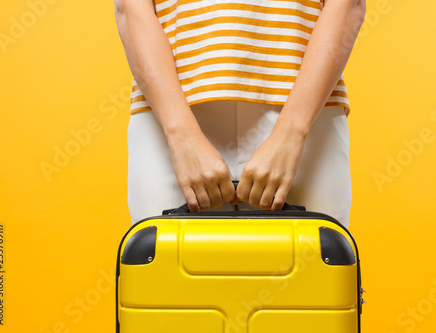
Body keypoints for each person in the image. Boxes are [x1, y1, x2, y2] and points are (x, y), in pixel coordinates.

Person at [114, 0, 366, 228]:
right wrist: (181, 134)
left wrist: (293, 130)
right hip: (169, 113)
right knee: (160, 274)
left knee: (318, 276)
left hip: (306, 111)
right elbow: (131, 6)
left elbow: (348, 4)